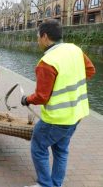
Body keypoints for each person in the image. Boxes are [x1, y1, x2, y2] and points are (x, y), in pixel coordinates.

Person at [21, 19, 96, 187]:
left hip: (56, 119)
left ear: (45, 36)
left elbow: (41, 97)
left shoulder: (47, 62)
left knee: (38, 148)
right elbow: (90, 70)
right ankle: (56, 184)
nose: (37, 40)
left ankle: (45, 184)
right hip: (76, 114)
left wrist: (26, 99)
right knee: (61, 150)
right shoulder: (75, 49)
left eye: (38, 36)